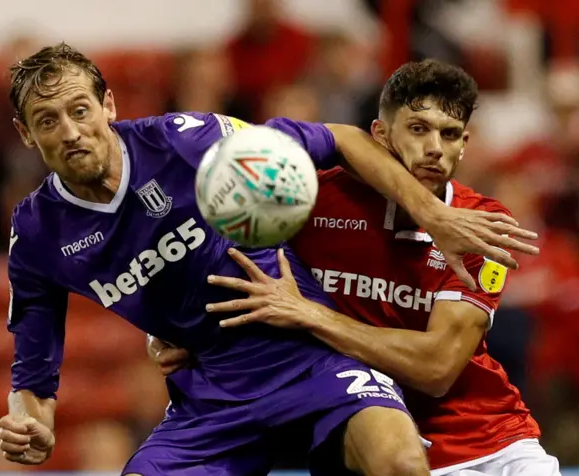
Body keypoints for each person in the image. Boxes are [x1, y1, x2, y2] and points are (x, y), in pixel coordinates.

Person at [0, 43, 537, 476]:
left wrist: (431, 214)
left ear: (108, 105)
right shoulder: (37, 236)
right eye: (47, 120)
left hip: (312, 358)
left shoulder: (189, 143)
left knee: (397, 462)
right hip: (213, 393)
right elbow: (33, 377)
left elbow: (339, 138)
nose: (70, 132)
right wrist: (32, 423)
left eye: (80, 110)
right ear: (25, 134)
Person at [175, 60, 558, 475]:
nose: (435, 148)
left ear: (464, 143)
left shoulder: (479, 222)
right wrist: (173, 332)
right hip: (368, 432)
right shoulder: (313, 201)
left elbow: (437, 368)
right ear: (380, 135)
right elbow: (203, 247)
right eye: (417, 128)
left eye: (449, 135)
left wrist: (309, 315)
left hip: (492, 438)